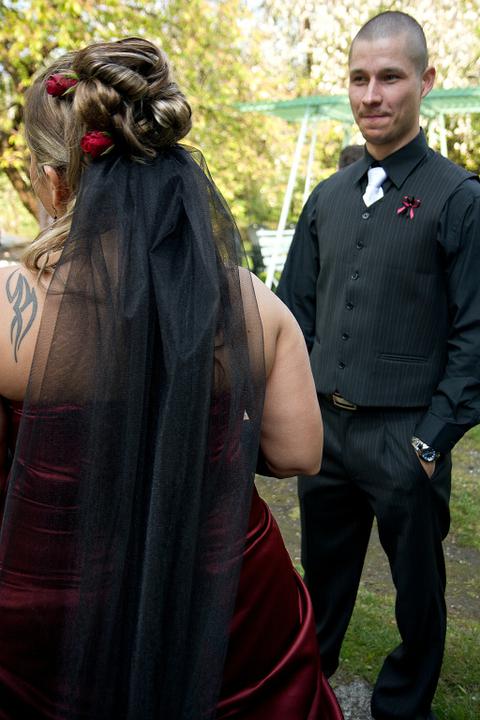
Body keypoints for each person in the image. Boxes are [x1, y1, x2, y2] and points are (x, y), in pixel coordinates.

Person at [0, 38, 343, 720]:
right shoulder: (248, 302)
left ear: (53, 181)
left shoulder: (6, 301)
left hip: (52, 601)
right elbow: (299, 454)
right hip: (220, 600)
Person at [277, 10, 480, 720]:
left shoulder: (460, 198)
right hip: (325, 436)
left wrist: (430, 441)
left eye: (390, 77)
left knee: (418, 591)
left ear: (426, 81)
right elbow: (292, 315)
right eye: (359, 78)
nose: (371, 94)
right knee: (321, 582)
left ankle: (402, 707)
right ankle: (309, 692)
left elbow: (475, 336)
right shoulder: (326, 197)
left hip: (407, 436)